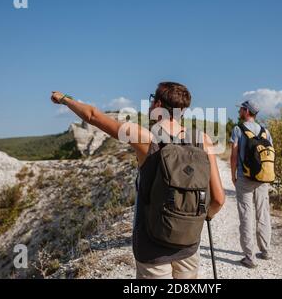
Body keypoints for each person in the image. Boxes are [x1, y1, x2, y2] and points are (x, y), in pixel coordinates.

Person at [51, 82, 225, 279]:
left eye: (152, 101)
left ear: (158, 104)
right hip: (189, 244)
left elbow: (92, 116)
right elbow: (218, 199)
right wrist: (197, 219)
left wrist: (64, 99)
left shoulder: (145, 138)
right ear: (182, 110)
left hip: (152, 246)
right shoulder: (203, 140)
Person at [230, 100, 273, 268]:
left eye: (241, 108)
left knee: (246, 216)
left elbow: (233, 155)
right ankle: (266, 251)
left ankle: (250, 257)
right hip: (263, 178)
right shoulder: (265, 131)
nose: (240, 110)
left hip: (245, 178)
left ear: (247, 111)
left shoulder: (238, 129)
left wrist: (233, 175)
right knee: (263, 214)